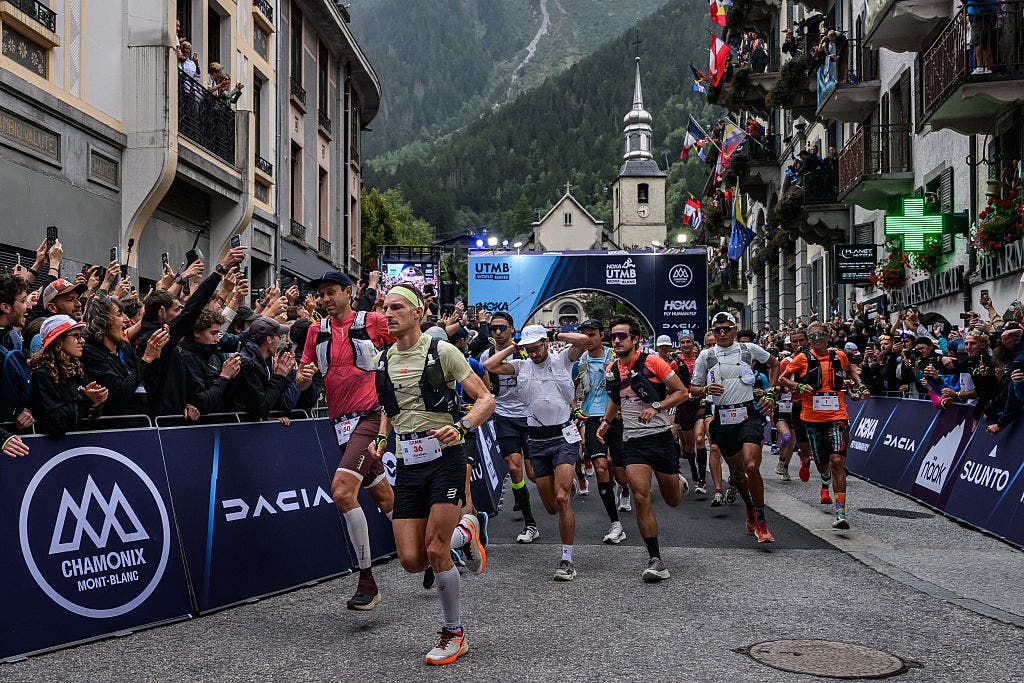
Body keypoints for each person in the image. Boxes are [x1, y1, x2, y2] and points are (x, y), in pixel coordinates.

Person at [369, 283, 494, 666]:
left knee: (436, 548)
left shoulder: (443, 351)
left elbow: (486, 399)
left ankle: (454, 633)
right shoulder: (384, 359)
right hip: (408, 461)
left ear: (418, 311)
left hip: (446, 455)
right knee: (411, 559)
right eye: (384, 308)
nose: (387, 314)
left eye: (395, 308)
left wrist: (462, 427)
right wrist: (381, 435)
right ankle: (469, 530)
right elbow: (390, 404)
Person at [295, 271, 396, 609]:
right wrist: (302, 376)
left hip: (370, 416)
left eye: (330, 293)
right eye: (320, 295)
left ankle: (367, 580)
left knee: (341, 491)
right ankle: (438, 546)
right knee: (384, 498)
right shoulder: (314, 331)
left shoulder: (374, 322)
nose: (324, 300)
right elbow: (303, 382)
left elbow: (409, 348)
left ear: (348, 293)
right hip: (338, 423)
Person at [484, 323, 589, 580]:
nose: (533, 354)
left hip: (563, 435)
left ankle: (566, 559)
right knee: (552, 506)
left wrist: (558, 335)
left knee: (562, 499)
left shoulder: (561, 358)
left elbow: (584, 340)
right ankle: (566, 483)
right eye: (528, 350)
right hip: (538, 440)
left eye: (537, 348)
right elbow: (490, 366)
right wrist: (514, 347)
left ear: (544, 343)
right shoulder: (521, 366)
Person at [597, 317, 690, 582]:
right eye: (613, 336)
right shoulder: (612, 368)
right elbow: (616, 399)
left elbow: (681, 393)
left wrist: (657, 407)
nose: (616, 340)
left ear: (635, 339)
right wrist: (605, 422)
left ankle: (678, 483)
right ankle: (656, 559)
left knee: (672, 499)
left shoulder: (653, 362)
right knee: (640, 496)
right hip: (633, 441)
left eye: (622, 336)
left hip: (661, 438)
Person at [690, 312, 779, 543]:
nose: (722, 333)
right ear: (712, 331)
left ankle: (761, 520)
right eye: (717, 329)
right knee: (738, 473)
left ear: (735, 329)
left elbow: (774, 363)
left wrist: (770, 393)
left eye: (727, 329)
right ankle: (749, 508)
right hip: (722, 418)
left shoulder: (748, 349)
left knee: (751, 465)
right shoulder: (706, 355)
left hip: (748, 414)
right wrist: (707, 391)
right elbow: (693, 388)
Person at [781, 322, 860, 529]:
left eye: (821, 335)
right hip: (812, 418)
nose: (817, 339)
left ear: (828, 336)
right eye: (813, 336)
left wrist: (858, 386)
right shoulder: (802, 359)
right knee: (822, 463)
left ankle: (841, 512)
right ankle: (824, 479)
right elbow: (783, 379)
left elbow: (850, 372)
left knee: (837, 461)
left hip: (838, 416)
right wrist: (798, 385)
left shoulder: (839, 356)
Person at [477, 313, 540, 543]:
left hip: (530, 414)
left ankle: (565, 480)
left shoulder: (527, 351)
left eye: (502, 328)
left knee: (533, 473)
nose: (497, 332)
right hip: (504, 415)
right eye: (493, 328)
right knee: (514, 467)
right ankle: (530, 523)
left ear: (512, 329)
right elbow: (487, 383)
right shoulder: (488, 354)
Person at [572, 319, 626, 544]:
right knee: (601, 467)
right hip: (592, 420)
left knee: (620, 472)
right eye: (584, 335)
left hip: (617, 418)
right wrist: (576, 411)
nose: (587, 339)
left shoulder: (615, 359)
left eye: (592, 334)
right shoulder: (579, 362)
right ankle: (616, 524)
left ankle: (624, 489)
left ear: (601, 335)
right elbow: (571, 391)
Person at [82, 296, 167, 416]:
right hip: (119, 428)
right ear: (103, 321)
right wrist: (146, 358)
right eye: (119, 314)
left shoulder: (124, 347)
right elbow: (119, 393)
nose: (126, 320)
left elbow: (144, 378)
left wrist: (157, 353)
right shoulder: (91, 352)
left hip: (143, 420)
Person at [29, 315, 108, 436]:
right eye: (76, 336)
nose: (82, 340)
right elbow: (54, 422)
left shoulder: (79, 367)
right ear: (59, 340)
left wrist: (95, 402)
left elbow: (89, 415)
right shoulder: (42, 374)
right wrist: (86, 399)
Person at [176, 309, 242, 418]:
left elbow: (226, 397)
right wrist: (224, 377)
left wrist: (233, 377)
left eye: (218, 334)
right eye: (213, 333)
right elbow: (201, 402)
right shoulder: (186, 357)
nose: (217, 340)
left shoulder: (214, 354)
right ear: (197, 333)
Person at [232, 316, 295, 419]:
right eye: (279, 336)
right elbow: (260, 407)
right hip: (241, 429)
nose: (281, 341)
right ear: (269, 339)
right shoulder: (248, 365)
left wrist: (273, 417)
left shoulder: (265, 360)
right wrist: (278, 377)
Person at [673, 330, 707, 495]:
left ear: (694, 343)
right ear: (680, 344)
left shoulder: (701, 360)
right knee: (688, 446)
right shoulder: (675, 363)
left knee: (700, 439)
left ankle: (702, 480)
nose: (686, 345)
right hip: (684, 405)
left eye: (688, 342)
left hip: (700, 403)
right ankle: (693, 469)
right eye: (683, 342)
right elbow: (669, 384)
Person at [0, 273, 33, 430]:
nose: (28, 306)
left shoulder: (12, 338)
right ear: (5, 307)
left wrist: (26, 410)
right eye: (22, 301)